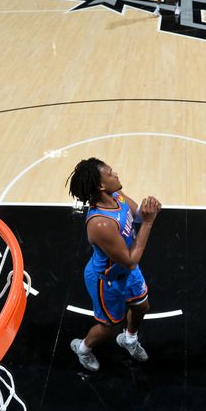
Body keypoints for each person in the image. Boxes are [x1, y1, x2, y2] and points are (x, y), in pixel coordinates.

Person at [67, 158, 162, 372]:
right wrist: (149, 222)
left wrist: (148, 210)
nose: (116, 174)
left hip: (126, 272)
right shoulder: (100, 223)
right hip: (108, 281)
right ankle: (82, 348)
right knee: (109, 327)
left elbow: (136, 214)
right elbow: (129, 261)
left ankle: (129, 339)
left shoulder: (117, 197)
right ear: (101, 185)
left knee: (141, 307)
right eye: (110, 173)